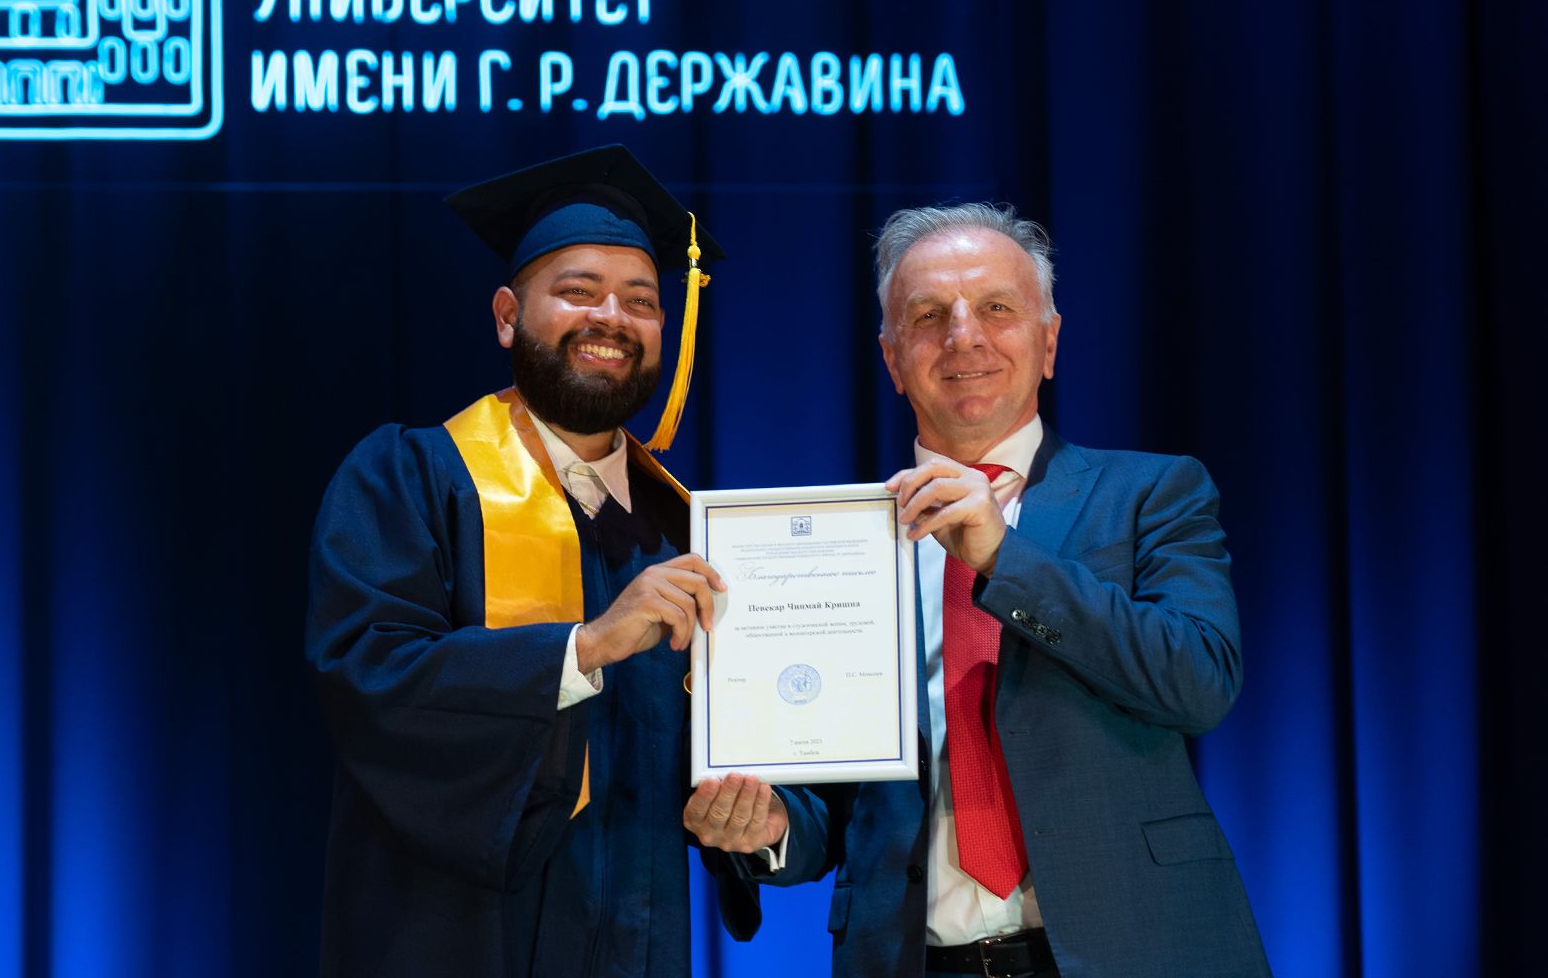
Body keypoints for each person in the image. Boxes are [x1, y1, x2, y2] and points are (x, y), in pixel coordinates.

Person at [684, 203, 1270, 977]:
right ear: (893, 360)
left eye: (997, 308)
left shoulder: (1151, 492)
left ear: (1049, 341)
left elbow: (1198, 680)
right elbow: (831, 811)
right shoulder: (839, 544)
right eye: (929, 316)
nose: (964, 335)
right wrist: (767, 828)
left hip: (1136, 945)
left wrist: (1002, 555)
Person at [306, 144, 752, 977]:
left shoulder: (690, 528)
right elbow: (367, 674)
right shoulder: (411, 478)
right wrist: (581, 650)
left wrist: (762, 816)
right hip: (455, 941)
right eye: (577, 292)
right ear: (509, 315)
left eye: (642, 300)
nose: (610, 317)